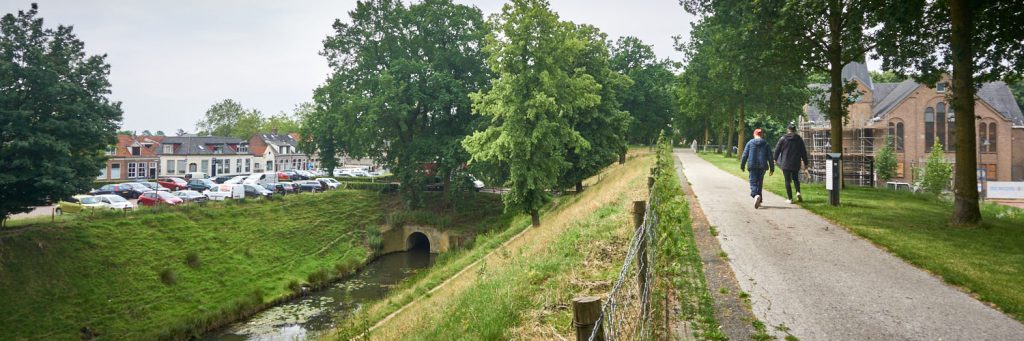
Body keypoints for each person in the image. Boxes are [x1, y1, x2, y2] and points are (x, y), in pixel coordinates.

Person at [774, 124, 810, 204]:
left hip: (785, 163)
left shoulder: (783, 138)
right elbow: (803, 152)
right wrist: (806, 163)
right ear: (795, 130)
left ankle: (790, 199)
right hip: (796, 163)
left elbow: (777, 149)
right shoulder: (799, 139)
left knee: (787, 181)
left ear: (788, 129)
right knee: (796, 179)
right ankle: (798, 192)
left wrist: (775, 159)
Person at [740, 128, 774, 208]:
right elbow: (770, 157)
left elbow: (745, 155)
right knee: (759, 182)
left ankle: (755, 195)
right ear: (761, 135)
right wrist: (772, 169)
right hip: (762, 166)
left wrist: (742, 165)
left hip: (752, 165)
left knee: (753, 182)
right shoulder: (766, 144)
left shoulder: (750, 143)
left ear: (754, 134)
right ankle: (760, 199)